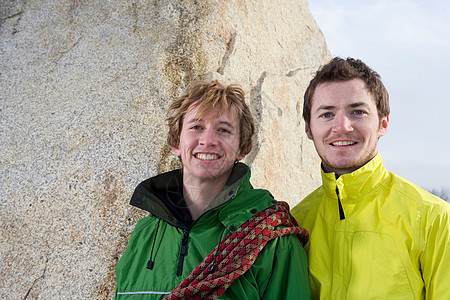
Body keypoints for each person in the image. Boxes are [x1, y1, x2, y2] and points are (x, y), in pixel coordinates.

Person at [115, 80, 311, 299]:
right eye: (196, 127)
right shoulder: (144, 234)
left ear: (243, 148)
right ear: (176, 143)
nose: (208, 141)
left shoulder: (273, 241)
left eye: (223, 130)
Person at [292, 57, 450, 299]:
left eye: (357, 112)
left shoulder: (433, 219)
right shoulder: (297, 225)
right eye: (326, 114)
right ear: (308, 129)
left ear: (382, 124)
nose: (342, 126)